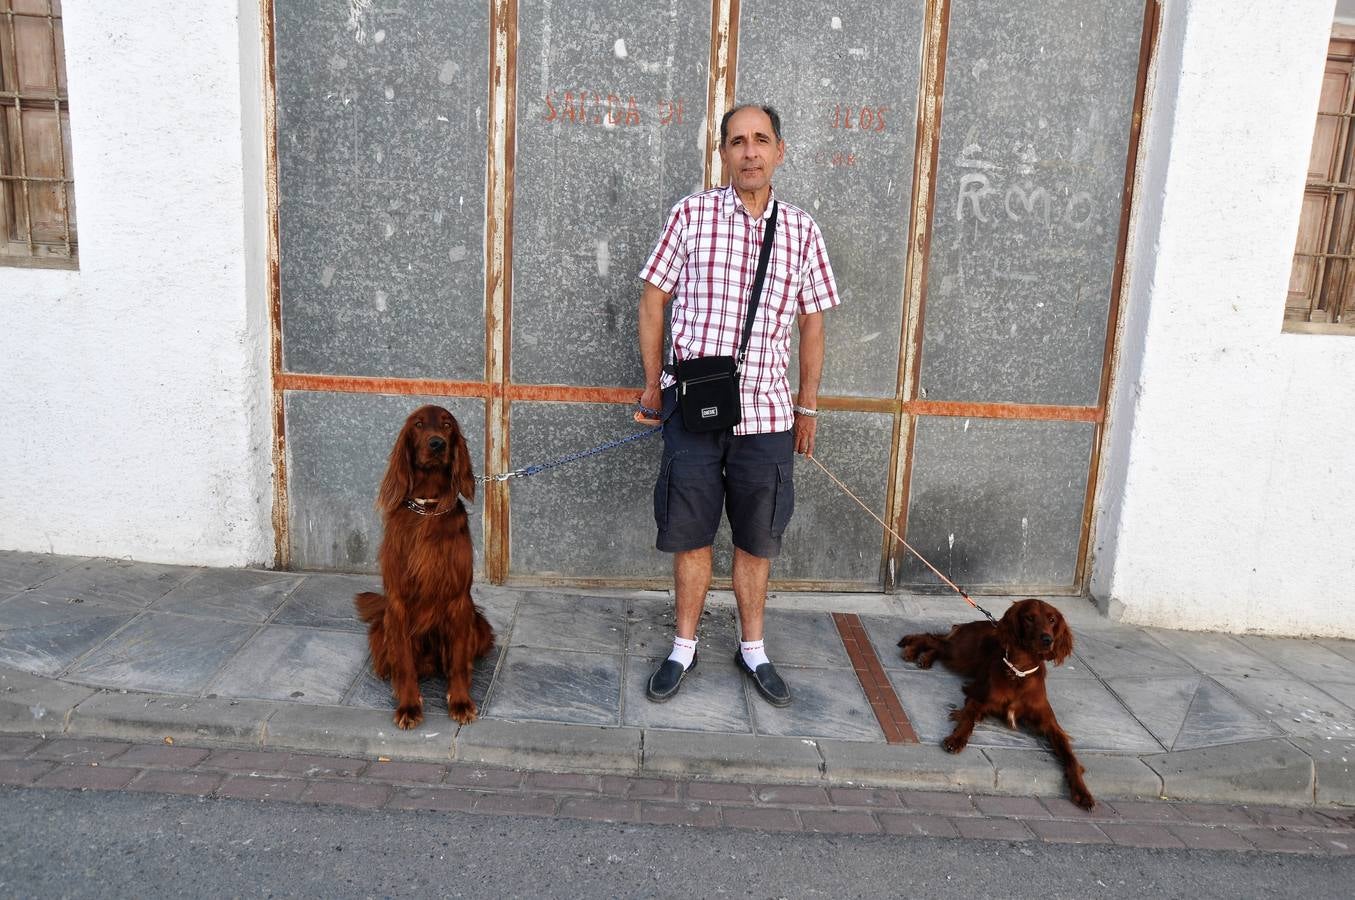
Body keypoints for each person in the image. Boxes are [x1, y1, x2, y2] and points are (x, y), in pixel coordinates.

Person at [635, 103, 840, 707]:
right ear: (721, 153)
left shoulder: (802, 229)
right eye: (737, 142)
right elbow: (653, 300)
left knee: (757, 541)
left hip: (769, 417)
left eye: (761, 140)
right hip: (694, 412)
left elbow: (814, 325)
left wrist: (808, 408)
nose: (749, 152)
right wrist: (653, 385)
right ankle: (683, 645)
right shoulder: (692, 215)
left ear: (780, 150)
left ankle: (753, 648)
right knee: (692, 536)